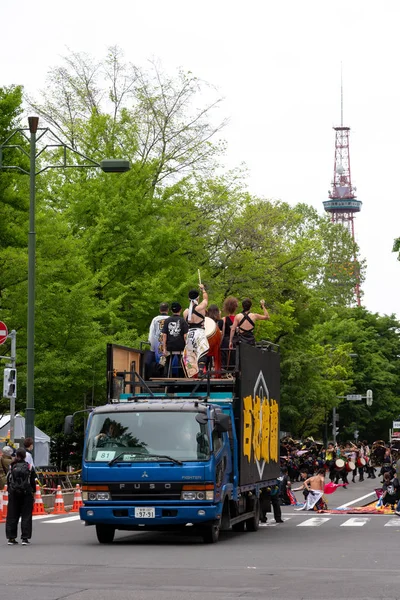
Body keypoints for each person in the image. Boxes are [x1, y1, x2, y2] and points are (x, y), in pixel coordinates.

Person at [6, 447, 36, 545]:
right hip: (26, 493)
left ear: (16, 455)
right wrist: (34, 492)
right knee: (26, 515)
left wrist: (9, 491)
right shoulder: (29, 467)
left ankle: (11, 538)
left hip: (14, 493)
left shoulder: (11, 466)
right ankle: (25, 538)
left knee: (12, 515)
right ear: (25, 456)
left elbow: (8, 480)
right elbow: (32, 482)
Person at [183, 284, 209, 378]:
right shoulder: (200, 308)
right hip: (199, 332)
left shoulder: (185, 312)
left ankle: (192, 373)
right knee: (202, 351)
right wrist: (203, 289)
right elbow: (206, 299)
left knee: (190, 353)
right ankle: (201, 371)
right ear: (197, 298)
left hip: (190, 333)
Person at [162, 302, 188, 377]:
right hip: (181, 346)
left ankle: (166, 376)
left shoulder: (167, 321)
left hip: (170, 346)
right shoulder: (183, 321)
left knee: (168, 361)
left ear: (171, 311)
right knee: (182, 361)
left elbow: (164, 335)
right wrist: (187, 347)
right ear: (181, 310)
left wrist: (164, 348)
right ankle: (182, 376)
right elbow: (185, 336)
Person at [146, 302, 169, 377]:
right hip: (168, 344)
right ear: (168, 310)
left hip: (158, 343)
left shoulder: (155, 319)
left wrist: (152, 346)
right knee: (168, 360)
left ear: (160, 310)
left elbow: (151, 333)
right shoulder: (170, 319)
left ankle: (158, 375)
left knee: (158, 361)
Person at [220, 296, 238, 370]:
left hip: (226, 340)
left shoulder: (224, 319)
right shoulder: (239, 318)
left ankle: (225, 368)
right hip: (236, 340)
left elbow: (223, 333)